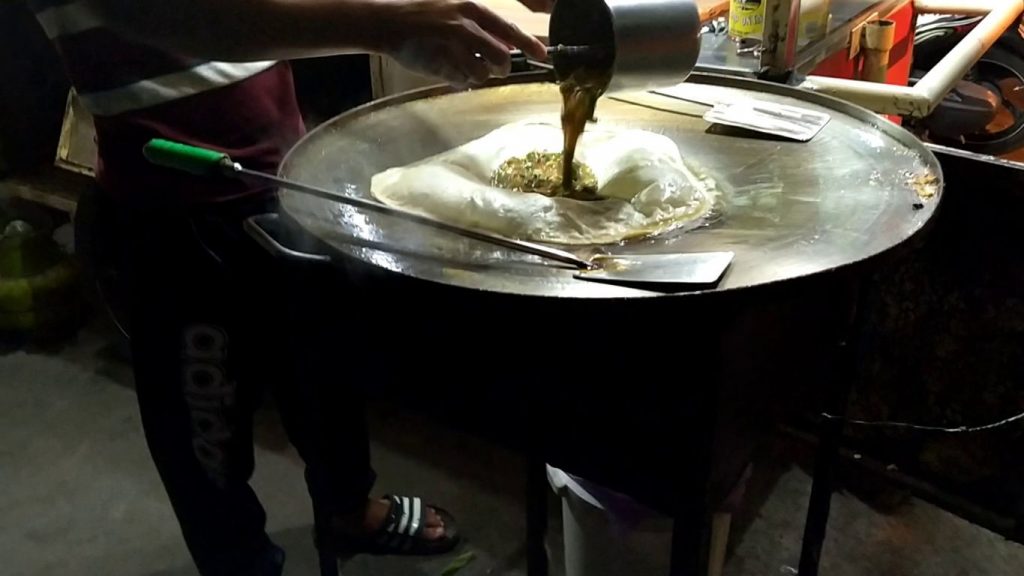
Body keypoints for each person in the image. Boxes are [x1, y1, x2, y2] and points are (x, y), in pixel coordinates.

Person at [26, 1, 551, 574]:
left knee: (326, 374)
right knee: (206, 425)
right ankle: (240, 561)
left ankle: (349, 509)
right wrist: (389, 26)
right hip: (171, 220)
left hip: (283, 176)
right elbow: (176, 14)